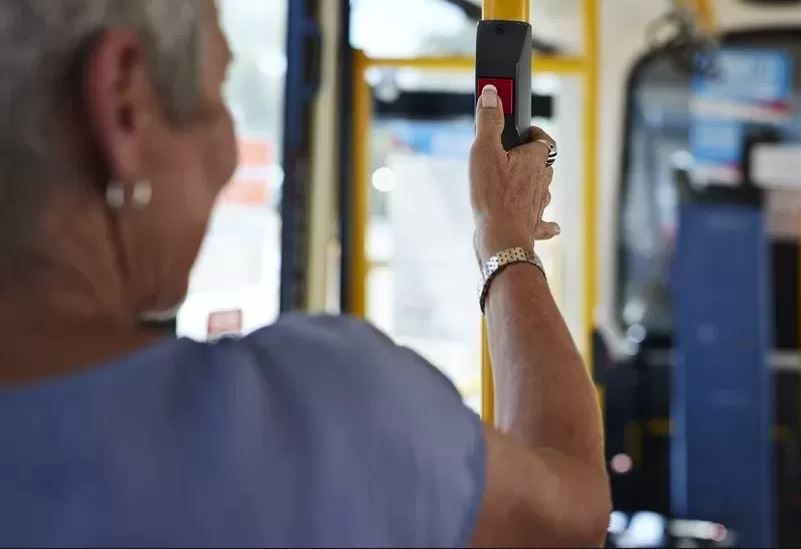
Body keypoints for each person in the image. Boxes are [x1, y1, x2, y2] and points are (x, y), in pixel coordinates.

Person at [0, 1, 609, 547]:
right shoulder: (320, 422)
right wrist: (506, 238)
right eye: (218, 96)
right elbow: (570, 512)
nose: (229, 157)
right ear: (123, 101)